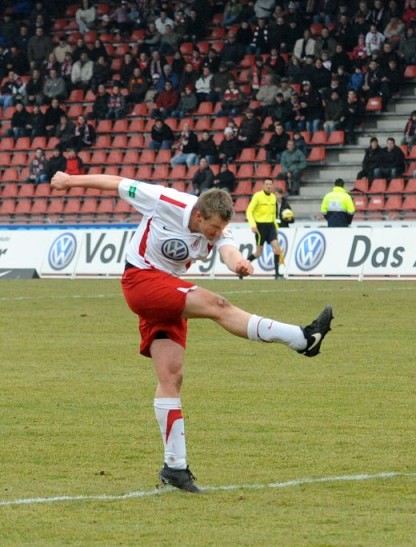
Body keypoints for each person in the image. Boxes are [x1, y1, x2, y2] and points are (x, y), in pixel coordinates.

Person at [49, 170, 333, 493]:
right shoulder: (163, 200)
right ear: (198, 215)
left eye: (222, 229)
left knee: (171, 377)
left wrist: (239, 262)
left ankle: (175, 468)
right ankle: (301, 338)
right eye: (213, 228)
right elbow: (115, 183)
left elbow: (228, 251)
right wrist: (69, 181)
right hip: (140, 280)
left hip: (167, 291)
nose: (216, 235)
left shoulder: (218, 228)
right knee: (218, 305)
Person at [245, 177, 284, 279]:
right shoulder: (257, 196)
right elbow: (249, 211)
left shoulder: (273, 197)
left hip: (270, 226)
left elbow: (273, 215)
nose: (268, 186)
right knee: (258, 253)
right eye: (266, 184)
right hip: (260, 227)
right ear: (263, 185)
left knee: (277, 248)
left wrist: (275, 227)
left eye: (270, 184)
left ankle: (277, 274)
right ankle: (242, 268)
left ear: (272, 185)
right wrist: (252, 225)